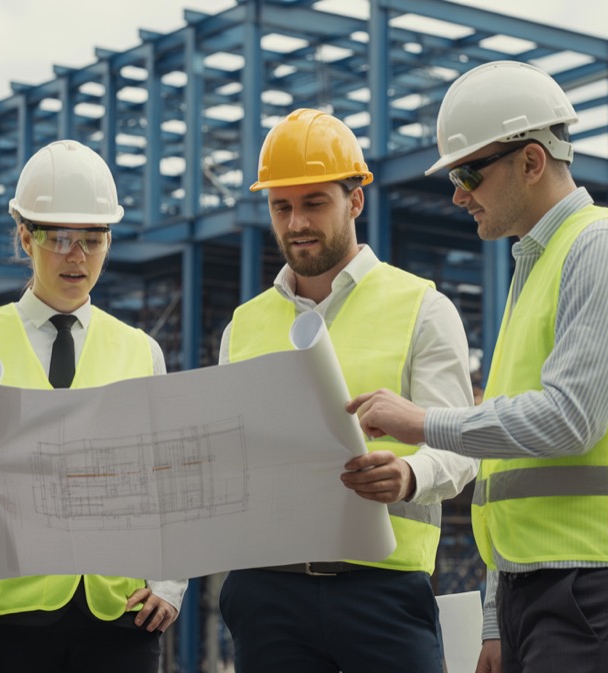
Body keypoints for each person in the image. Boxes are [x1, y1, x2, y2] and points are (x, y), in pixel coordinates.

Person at [348, 61, 608, 673]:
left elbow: (569, 421)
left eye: (469, 172)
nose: (457, 193)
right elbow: (513, 461)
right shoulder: (539, 266)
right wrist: (498, 613)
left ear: (531, 162)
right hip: (542, 583)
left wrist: (425, 423)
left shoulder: (604, 250)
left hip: (603, 581)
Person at [218, 108, 478, 673]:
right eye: (281, 206)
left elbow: (460, 448)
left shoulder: (424, 310)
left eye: (314, 202)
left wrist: (410, 476)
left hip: (381, 593)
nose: (296, 223)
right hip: (268, 596)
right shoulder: (242, 325)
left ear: (354, 200)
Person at [0, 139, 186, 673]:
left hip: (120, 618)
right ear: (25, 236)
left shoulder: (141, 350)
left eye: (93, 239)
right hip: (3, 616)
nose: (78, 256)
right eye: (60, 237)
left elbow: (168, 482)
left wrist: (169, 586)